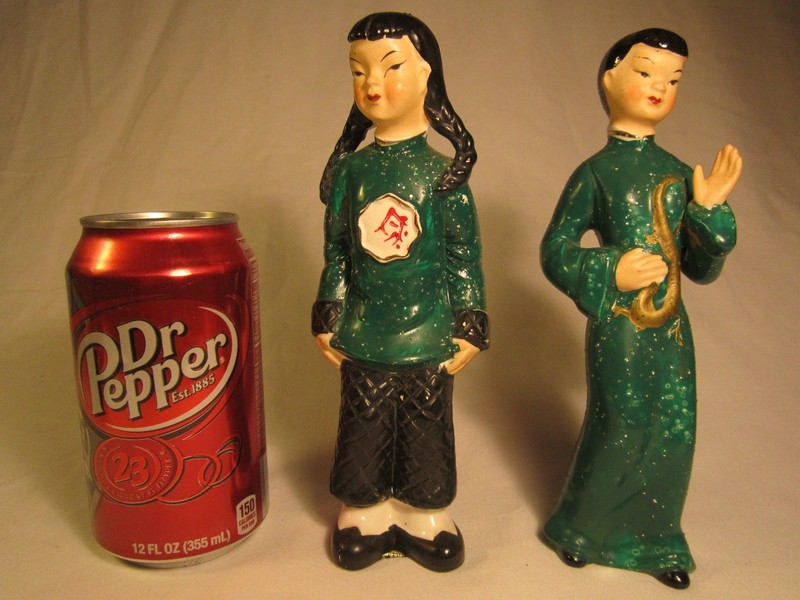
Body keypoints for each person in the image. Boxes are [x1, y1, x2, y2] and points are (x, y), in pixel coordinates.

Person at [540, 29, 741, 589]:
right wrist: (611, 269)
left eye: (672, 79)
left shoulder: (679, 172)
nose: (659, 87)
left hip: (671, 328)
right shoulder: (596, 172)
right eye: (646, 72)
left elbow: (699, 270)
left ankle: (656, 538)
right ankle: (582, 528)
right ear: (610, 80)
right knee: (621, 418)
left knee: (675, 426)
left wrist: (709, 215)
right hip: (620, 323)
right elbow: (554, 248)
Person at [312, 12, 489, 572]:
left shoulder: (443, 176)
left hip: (430, 331)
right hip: (364, 329)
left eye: (391, 67)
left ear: (426, 75)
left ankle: (424, 511)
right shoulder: (352, 173)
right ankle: (363, 509)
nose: (372, 83)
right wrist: (328, 313)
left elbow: (463, 257)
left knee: (426, 422)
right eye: (359, 70)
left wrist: (470, 322)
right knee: (363, 419)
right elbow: (338, 251)